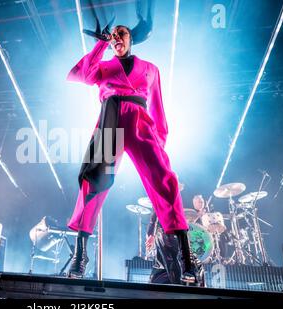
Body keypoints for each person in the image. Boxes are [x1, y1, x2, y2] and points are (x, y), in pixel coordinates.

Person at [66, 24, 200, 284]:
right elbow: (82, 75)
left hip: (139, 120)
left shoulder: (150, 69)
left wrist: (158, 142)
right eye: (113, 35)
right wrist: (100, 44)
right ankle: (80, 255)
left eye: (121, 34)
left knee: (165, 180)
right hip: (111, 118)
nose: (117, 38)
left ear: (131, 39)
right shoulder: (104, 66)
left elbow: (158, 106)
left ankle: (186, 257)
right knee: (92, 182)